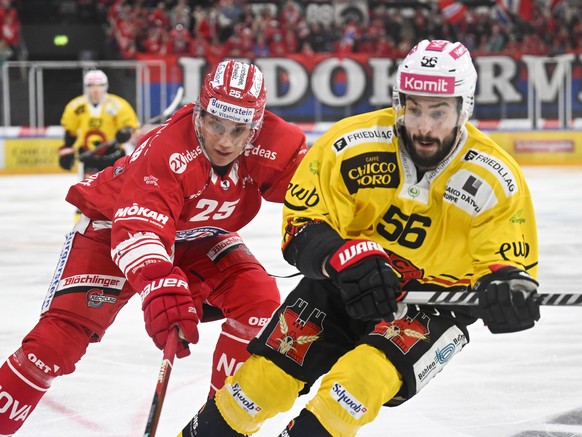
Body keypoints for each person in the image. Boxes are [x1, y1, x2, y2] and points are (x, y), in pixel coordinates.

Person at [180, 39, 541, 437]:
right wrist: (342, 256)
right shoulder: (351, 143)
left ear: (463, 107)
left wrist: (508, 286)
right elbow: (302, 223)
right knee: (257, 388)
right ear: (398, 99)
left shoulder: (495, 176)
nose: (423, 126)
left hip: (432, 304)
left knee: (350, 393)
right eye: (413, 108)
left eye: (438, 112)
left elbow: (508, 258)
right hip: (343, 282)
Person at [0, 59, 307, 435]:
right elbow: (139, 226)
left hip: (196, 236)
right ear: (200, 113)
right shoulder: (169, 149)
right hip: (113, 226)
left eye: (238, 129)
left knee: (258, 299)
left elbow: (325, 193)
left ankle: (218, 428)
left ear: (255, 126)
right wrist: (160, 283)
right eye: (215, 124)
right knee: (53, 345)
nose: (225, 141)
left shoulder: (275, 146)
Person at [58, 69, 140, 177]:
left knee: (116, 191)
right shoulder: (75, 106)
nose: (96, 89)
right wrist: (67, 151)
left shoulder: (118, 105)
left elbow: (131, 127)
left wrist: (125, 132)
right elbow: (70, 133)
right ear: (86, 87)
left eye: (99, 85)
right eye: (91, 85)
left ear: (105, 86)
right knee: (89, 192)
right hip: (89, 157)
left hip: (114, 156)